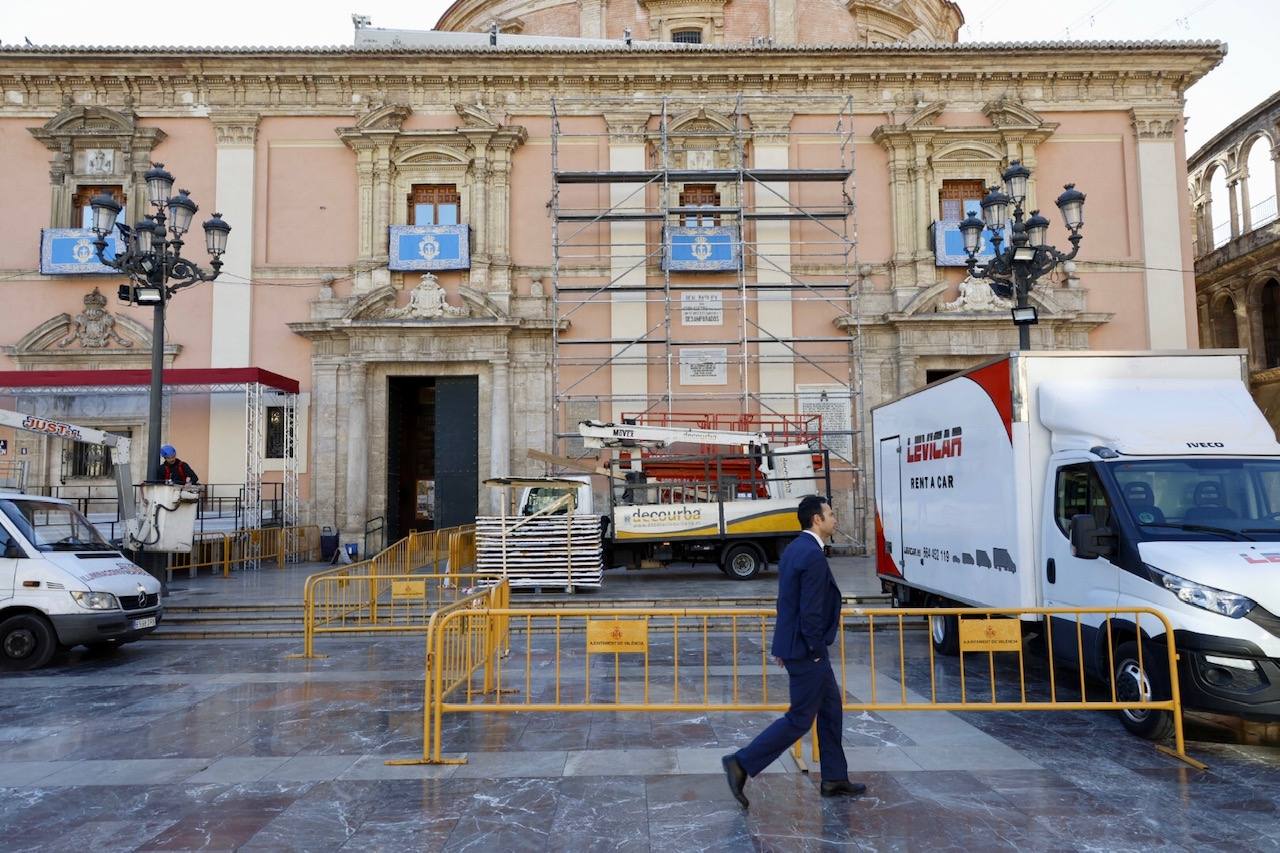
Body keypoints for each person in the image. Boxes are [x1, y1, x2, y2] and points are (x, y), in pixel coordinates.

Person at [722, 494, 866, 808]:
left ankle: (834, 777)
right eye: (830, 513)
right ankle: (741, 763)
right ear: (817, 519)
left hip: (799, 645)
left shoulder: (794, 549)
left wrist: (782, 644)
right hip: (808, 649)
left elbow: (786, 602)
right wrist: (812, 649)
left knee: (830, 710)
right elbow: (809, 609)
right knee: (800, 717)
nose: (834, 518)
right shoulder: (811, 555)